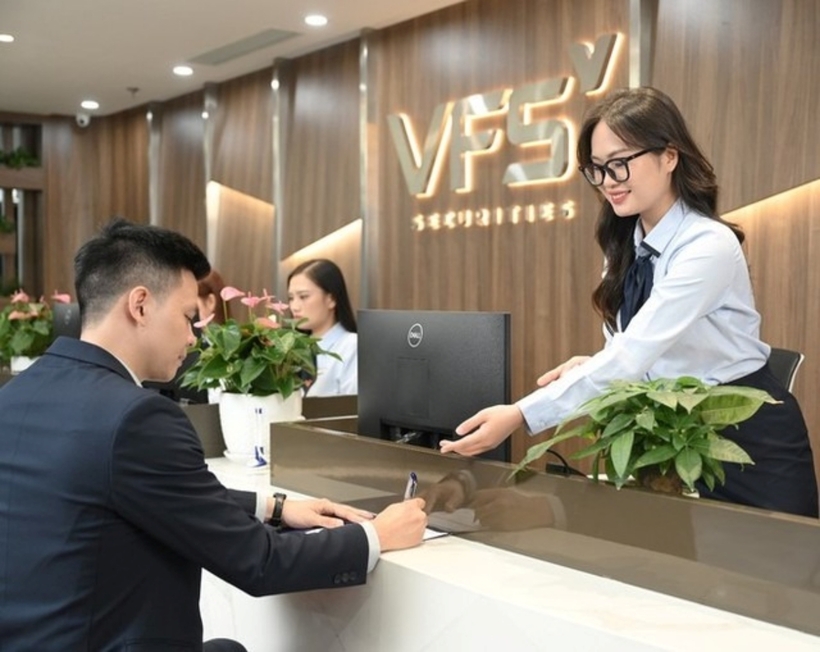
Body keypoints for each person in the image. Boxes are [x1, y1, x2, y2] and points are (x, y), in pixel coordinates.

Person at [0, 219, 427, 651]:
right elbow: (259, 561)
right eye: (188, 318)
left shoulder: (15, 395)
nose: (193, 337)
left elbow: (136, 489)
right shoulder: (137, 417)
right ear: (140, 305)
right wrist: (377, 535)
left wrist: (274, 506)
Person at [441, 87, 818, 518]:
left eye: (620, 163)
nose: (608, 181)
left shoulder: (707, 244)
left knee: (774, 560)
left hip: (749, 440)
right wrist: (594, 363)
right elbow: (635, 352)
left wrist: (522, 414)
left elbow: (632, 355)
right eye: (598, 169)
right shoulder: (625, 247)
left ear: (669, 156)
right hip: (674, 437)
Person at [287, 258, 358, 396]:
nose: (294, 307)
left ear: (331, 299)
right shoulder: (293, 349)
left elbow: (353, 405)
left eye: (303, 297)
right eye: (291, 298)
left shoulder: (352, 346)